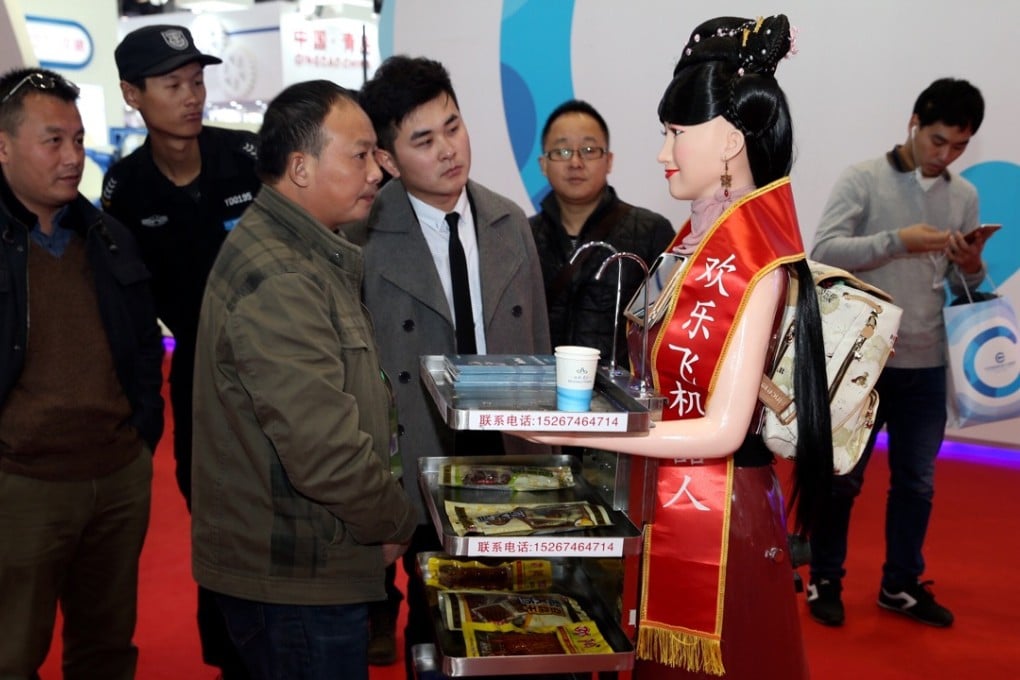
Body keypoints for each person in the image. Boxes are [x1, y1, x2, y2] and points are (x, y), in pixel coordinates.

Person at [510, 15, 831, 679]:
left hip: (722, 507)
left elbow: (721, 429)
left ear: (730, 140)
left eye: (676, 132)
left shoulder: (755, 260)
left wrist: (582, 426)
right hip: (668, 491)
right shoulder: (696, 241)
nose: (664, 152)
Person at [190, 80, 418, 680]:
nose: (377, 171)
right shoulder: (284, 277)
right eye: (360, 155)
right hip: (295, 576)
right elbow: (323, 451)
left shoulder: (306, 251)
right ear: (300, 167)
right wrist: (395, 519)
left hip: (304, 560)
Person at [355, 55, 551, 678]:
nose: (448, 150)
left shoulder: (508, 221)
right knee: (435, 620)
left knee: (516, 615)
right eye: (423, 140)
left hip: (507, 453)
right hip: (422, 455)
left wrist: (548, 456)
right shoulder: (364, 238)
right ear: (387, 159)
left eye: (453, 127)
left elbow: (539, 347)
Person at [102, 23, 260, 678]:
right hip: (197, 373)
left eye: (197, 81)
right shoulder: (126, 188)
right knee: (212, 514)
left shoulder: (247, 156)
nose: (192, 96)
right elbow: (128, 308)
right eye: (173, 84)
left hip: (276, 363)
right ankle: (231, 657)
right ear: (132, 95)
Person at [0, 67, 164, 679]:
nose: (73, 158)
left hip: (117, 476)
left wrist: (141, 438)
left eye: (78, 140)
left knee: (106, 649)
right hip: (21, 485)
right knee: (11, 654)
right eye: (53, 142)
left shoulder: (107, 237)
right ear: (4, 146)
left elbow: (144, 347)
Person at [807, 78, 987, 629]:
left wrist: (971, 264)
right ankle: (825, 578)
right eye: (938, 140)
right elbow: (824, 251)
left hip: (927, 360)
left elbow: (961, 285)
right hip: (863, 359)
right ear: (914, 123)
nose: (946, 155)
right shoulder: (863, 178)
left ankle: (900, 584)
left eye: (959, 146)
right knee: (842, 478)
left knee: (917, 482)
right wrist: (896, 242)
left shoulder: (964, 196)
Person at [530, 99, 674, 369]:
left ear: (609, 161)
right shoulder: (522, 236)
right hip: (540, 388)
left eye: (588, 150)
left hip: (620, 391)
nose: (575, 162)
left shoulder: (653, 232)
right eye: (562, 151)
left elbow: (667, 327)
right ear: (543, 164)